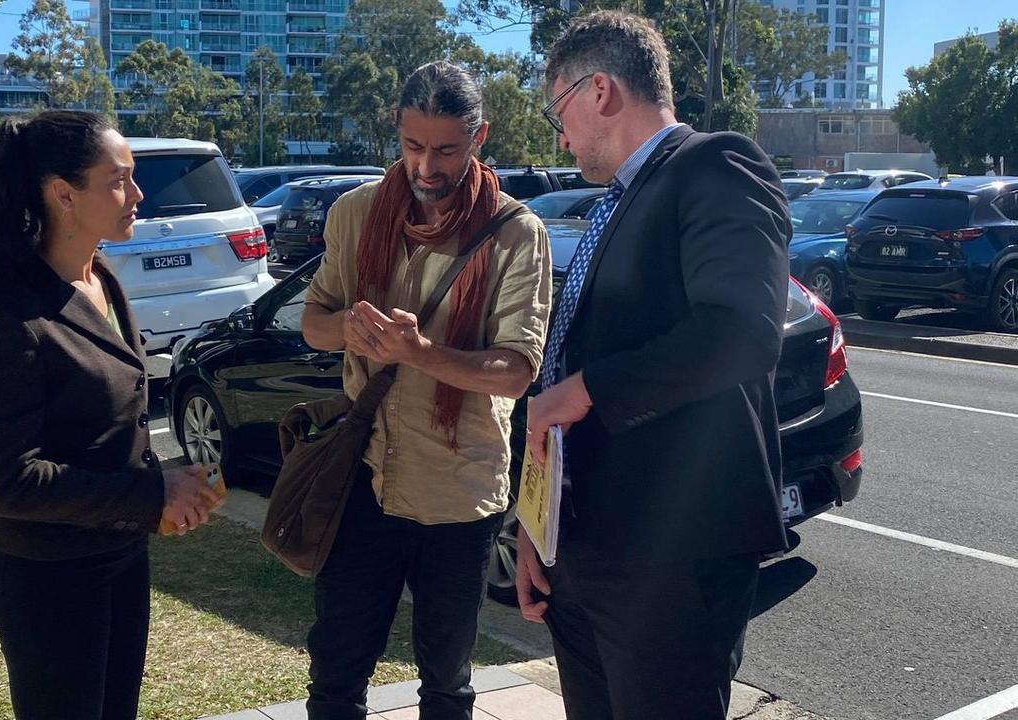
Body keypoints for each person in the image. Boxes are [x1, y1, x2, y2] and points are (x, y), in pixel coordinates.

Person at [518, 11, 792, 720]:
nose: (560, 135)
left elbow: (742, 332)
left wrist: (585, 390)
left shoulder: (715, 163)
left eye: (558, 111)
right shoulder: (616, 201)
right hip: (579, 555)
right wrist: (534, 527)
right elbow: (564, 368)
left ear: (599, 89)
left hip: (669, 557)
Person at [0, 110, 221, 720]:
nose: (138, 195)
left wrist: (166, 488)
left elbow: (109, 426)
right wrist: (150, 493)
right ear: (63, 194)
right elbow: (12, 482)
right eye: (118, 181)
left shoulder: (102, 280)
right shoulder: (13, 314)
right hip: (49, 577)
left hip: (119, 557)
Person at [299, 61, 552, 720]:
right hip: (363, 479)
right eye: (413, 146)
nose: (426, 167)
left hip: (458, 490)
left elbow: (517, 370)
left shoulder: (514, 233)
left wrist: (421, 354)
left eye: (445, 149)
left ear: (479, 137)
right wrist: (347, 329)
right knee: (334, 675)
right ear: (396, 130)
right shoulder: (354, 214)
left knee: (445, 684)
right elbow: (312, 323)